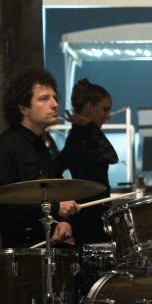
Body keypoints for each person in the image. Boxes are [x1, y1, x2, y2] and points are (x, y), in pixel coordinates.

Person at [0, 68, 79, 248]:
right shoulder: (3, 149)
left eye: (55, 98)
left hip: (43, 247)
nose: (54, 104)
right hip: (15, 252)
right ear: (24, 108)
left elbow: (56, 193)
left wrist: (63, 222)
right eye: (44, 98)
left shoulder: (42, 147)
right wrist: (55, 208)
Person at [57, 78, 118, 244]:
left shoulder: (82, 134)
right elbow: (111, 157)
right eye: (104, 109)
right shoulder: (80, 137)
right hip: (88, 215)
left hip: (94, 211)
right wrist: (90, 126)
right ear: (89, 107)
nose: (108, 116)